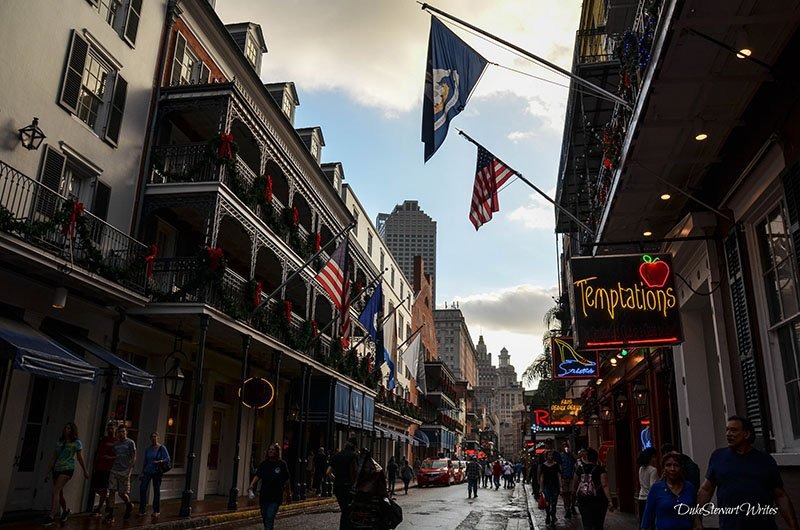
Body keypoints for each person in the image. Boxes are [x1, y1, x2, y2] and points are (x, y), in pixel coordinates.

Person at [694, 415, 799, 530]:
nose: (728, 434)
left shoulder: (765, 460)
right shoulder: (718, 457)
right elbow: (706, 490)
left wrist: (793, 526)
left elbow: (780, 495)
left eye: (733, 430)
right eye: (727, 430)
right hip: (730, 526)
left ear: (747, 434)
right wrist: (697, 517)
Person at [43, 422, 89, 526]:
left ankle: (52, 516)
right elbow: (53, 457)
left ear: (72, 430)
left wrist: (85, 470)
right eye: (65, 428)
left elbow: (79, 457)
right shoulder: (60, 442)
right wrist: (47, 472)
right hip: (57, 468)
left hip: (67, 468)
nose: (66, 430)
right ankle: (65, 510)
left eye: (68, 428)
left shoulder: (76, 443)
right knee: (59, 492)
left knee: (55, 491)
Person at [640, 452, 695, 530]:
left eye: (676, 465)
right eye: (668, 465)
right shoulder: (656, 488)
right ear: (663, 468)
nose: (672, 469)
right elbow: (647, 515)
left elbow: (695, 511)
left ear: (681, 468)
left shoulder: (689, 488)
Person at [249, 443, 291, 530]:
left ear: (276, 452)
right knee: (265, 517)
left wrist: (288, 494)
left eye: (273, 450)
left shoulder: (282, 464)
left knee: (269, 517)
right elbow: (258, 475)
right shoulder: (264, 464)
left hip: (276, 496)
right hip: (264, 495)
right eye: (270, 450)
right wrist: (251, 484)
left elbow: (287, 480)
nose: (271, 451)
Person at [573, 447, 613, 530]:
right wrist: (610, 501)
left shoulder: (579, 469)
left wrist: (575, 497)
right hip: (599, 500)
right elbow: (604, 485)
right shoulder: (600, 469)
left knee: (587, 524)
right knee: (598, 524)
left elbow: (575, 484)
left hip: (583, 499)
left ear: (586, 457)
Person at [105, 424, 136, 523]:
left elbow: (134, 457)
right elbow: (116, 456)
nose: (121, 433)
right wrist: (109, 458)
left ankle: (129, 505)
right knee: (112, 491)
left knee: (122, 493)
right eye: (119, 432)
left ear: (126, 432)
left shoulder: (130, 443)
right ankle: (110, 514)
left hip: (124, 470)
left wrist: (129, 470)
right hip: (114, 470)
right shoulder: (116, 444)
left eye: (123, 431)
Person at [327, 436, 359, 530]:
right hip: (348, 487)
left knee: (345, 510)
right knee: (347, 512)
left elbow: (328, 472)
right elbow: (355, 472)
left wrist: (335, 480)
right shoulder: (353, 456)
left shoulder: (336, 456)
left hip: (338, 488)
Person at [138, 432, 170, 519]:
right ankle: (142, 509)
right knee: (143, 488)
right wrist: (142, 472)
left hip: (156, 472)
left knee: (156, 490)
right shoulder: (148, 449)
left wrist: (159, 461)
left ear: (158, 438)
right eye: (152, 437)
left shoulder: (162, 448)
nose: (153, 438)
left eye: (155, 437)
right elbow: (145, 461)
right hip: (147, 471)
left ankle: (156, 510)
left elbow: (167, 459)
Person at [91, 420, 118, 517]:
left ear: (115, 430)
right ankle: (106, 499)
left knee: (103, 489)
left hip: (108, 468)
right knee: (96, 487)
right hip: (100, 466)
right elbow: (98, 452)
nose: (110, 430)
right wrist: (95, 464)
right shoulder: (103, 439)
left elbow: (119, 456)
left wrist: (110, 458)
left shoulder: (116, 442)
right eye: (109, 428)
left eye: (112, 428)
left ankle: (98, 509)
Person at [539, 450, 562, 525]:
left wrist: (561, 486)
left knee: (554, 502)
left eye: (552, 455)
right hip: (546, 486)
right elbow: (542, 477)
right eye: (549, 455)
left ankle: (553, 515)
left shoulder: (556, 465)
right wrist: (541, 487)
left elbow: (559, 476)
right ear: (546, 456)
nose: (551, 457)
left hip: (555, 485)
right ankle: (548, 515)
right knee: (547, 502)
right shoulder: (543, 465)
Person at [637, 448, 659, 525]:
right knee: (652, 522)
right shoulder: (653, 470)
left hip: (641, 497)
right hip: (649, 499)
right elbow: (653, 487)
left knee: (643, 522)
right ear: (652, 457)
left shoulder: (641, 468)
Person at [560, 442, 577, 519]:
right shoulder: (561, 456)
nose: (565, 448)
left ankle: (572, 506)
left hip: (572, 477)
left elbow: (576, 460)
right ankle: (567, 509)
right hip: (564, 477)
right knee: (565, 494)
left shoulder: (571, 455)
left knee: (573, 493)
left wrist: (571, 453)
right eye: (564, 446)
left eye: (567, 446)